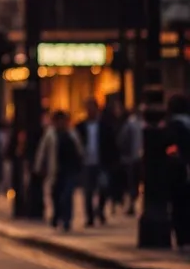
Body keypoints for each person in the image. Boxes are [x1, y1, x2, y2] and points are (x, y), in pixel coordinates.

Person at [34, 111, 84, 232]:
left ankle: (67, 220)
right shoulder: (50, 134)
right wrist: (39, 166)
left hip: (70, 169)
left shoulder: (72, 134)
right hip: (56, 170)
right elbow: (42, 150)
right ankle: (57, 215)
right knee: (55, 194)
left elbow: (79, 150)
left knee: (67, 195)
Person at [75, 98, 118, 226]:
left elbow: (111, 144)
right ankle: (90, 216)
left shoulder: (105, 126)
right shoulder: (80, 127)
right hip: (86, 163)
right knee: (88, 191)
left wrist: (113, 161)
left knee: (103, 187)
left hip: (102, 162)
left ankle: (100, 210)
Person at [163, 94, 190, 252]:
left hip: (178, 171)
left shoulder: (171, 126)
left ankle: (182, 238)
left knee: (178, 205)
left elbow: (169, 148)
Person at [117, 105, 144, 216]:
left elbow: (122, 139)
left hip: (135, 157)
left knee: (133, 182)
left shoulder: (131, 123)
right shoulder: (132, 123)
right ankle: (134, 204)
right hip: (135, 157)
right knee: (134, 182)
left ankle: (134, 204)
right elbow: (123, 140)